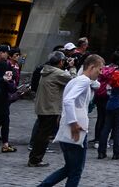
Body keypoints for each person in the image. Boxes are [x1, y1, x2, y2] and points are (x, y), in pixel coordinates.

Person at [37, 52, 103, 187]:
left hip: (69, 128)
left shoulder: (77, 79)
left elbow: (96, 85)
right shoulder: (83, 80)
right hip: (76, 129)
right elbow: (68, 100)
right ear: (91, 67)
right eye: (99, 69)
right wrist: (74, 123)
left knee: (70, 168)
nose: (100, 72)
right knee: (76, 170)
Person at [29, 52, 73, 167]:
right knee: (44, 135)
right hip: (50, 107)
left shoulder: (46, 70)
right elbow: (72, 80)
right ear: (60, 62)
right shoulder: (57, 73)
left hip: (42, 106)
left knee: (41, 133)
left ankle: (34, 157)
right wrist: (72, 67)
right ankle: (36, 159)